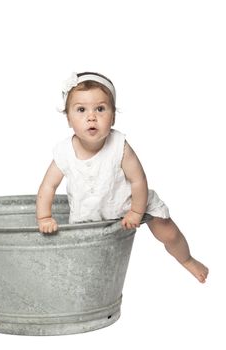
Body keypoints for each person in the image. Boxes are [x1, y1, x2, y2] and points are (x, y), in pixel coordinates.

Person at [36, 71, 209, 283]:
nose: (91, 117)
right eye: (81, 110)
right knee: (90, 259)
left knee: (169, 232)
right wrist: (44, 217)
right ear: (69, 119)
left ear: (113, 116)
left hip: (130, 202)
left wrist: (136, 211)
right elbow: (48, 187)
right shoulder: (64, 152)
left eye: (100, 109)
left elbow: (138, 180)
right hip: (91, 212)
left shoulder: (120, 146)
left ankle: (187, 259)